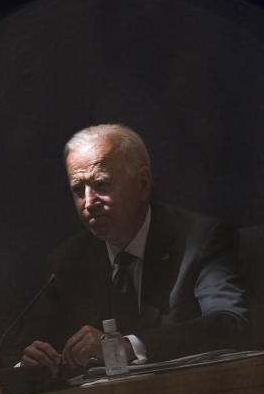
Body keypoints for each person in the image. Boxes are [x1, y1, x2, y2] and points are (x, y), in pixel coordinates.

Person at [17, 124, 248, 376]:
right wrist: (33, 362)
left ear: (143, 184)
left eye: (102, 184)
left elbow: (228, 322)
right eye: (77, 189)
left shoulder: (200, 239)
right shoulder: (67, 262)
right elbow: (23, 353)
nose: (89, 202)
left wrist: (126, 347)